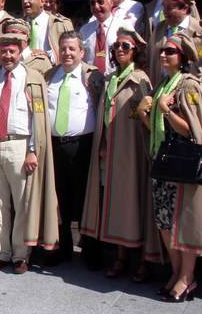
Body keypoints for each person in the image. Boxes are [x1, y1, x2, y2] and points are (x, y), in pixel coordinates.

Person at [0, 33, 59, 275]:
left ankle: (21, 255)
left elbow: (37, 118)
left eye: (12, 51)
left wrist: (32, 150)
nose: (7, 56)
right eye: (3, 51)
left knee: (22, 202)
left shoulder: (32, 79)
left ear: (20, 52)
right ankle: (0, 253)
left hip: (19, 145)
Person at [81, 26, 161, 281]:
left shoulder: (140, 80)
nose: (120, 50)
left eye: (126, 46)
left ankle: (141, 261)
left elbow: (146, 119)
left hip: (132, 152)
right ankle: (120, 256)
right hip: (110, 151)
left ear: (135, 51)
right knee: (113, 202)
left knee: (133, 202)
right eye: (117, 46)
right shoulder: (110, 79)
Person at [137, 32, 202, 302]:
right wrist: (144, 114)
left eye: (171, 52)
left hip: (182, 166)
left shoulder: (188, 86)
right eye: (163, 51)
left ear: (183, 57)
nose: (164, 55)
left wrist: (165, 110)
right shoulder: (163, 83)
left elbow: (192, 131)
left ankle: (187, 279)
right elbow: (159, 132)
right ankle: (175, 273)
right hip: (163, 160)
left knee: (183, 225)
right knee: (164, 223)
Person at [44, 32, 104, 266]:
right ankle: (63, 246)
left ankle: (90, 249)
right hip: (55, 145)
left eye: (72, 49)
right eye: (63, 48)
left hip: (82, 145)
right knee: (60, 196)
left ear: (82, 52)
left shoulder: (93, 78)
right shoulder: (50, 76)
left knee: (85, 196)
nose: (67, 53)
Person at [146, 0, 202, 88]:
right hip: (161, 88)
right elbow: (150, 58)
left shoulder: (198, 30)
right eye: (163, 7)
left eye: (169, 8)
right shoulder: (158, 29)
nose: (164, 12)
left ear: (184, 9)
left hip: (189, 90)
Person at [21, 0, 74, 64]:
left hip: (50, 72)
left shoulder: (60, 24)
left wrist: (47, 55)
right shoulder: (19, 25)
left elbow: (71, 51)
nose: (25, 1)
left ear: (42, 1)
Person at [79, 0, 124, 74]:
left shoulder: (123, 26)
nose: (96, 6)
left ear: (111, 3)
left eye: (100, 2)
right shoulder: (84, 30)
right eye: (92, 3)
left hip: (115, 80)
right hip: (90, 81)